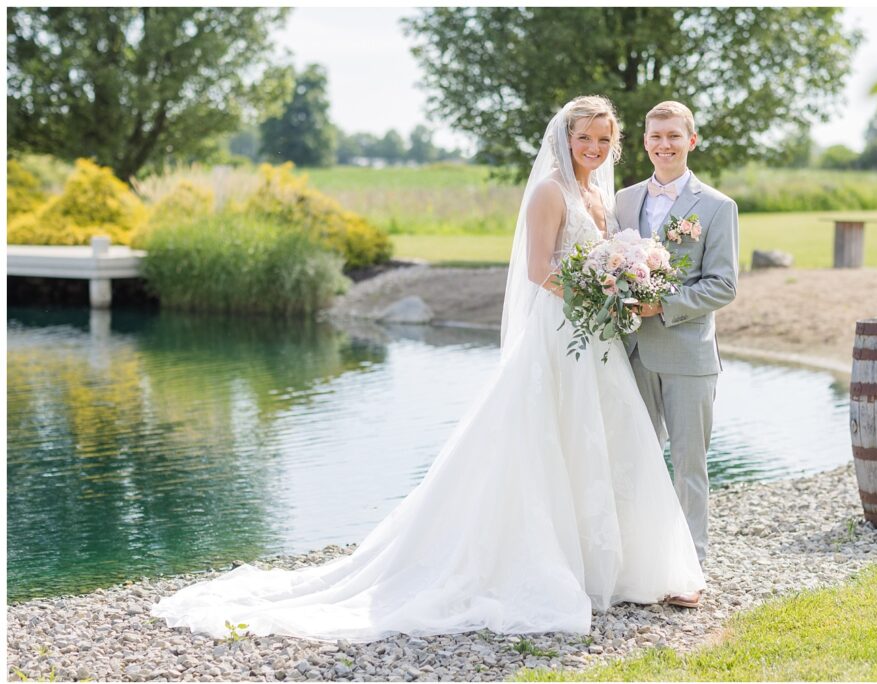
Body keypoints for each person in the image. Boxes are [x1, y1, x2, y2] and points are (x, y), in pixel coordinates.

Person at [152, 96, 705, 644]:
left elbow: (602, 258)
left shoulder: (599, 194)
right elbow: (540, 270)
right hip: (562, 333)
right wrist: (594, 296)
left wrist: (621, 283)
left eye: (604, 139)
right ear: (564, 137)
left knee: (600, 443)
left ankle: (605, 563)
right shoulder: (549, 191)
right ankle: (537, 561)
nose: (594, 147)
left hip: (597, 340)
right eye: (584, 137)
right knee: (545, 441)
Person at [614, 101, 740, 588]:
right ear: (644, 142)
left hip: (688, 355)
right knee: (637, 460)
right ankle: (640, 566)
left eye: (673, 136)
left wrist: (661, 305)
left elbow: (723, 285)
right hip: (631, 353)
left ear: (691, 140)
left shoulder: (716, 206)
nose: (663, 144)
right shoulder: (623, 202)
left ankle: (691, 571)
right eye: (655, 136)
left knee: (689, 466)